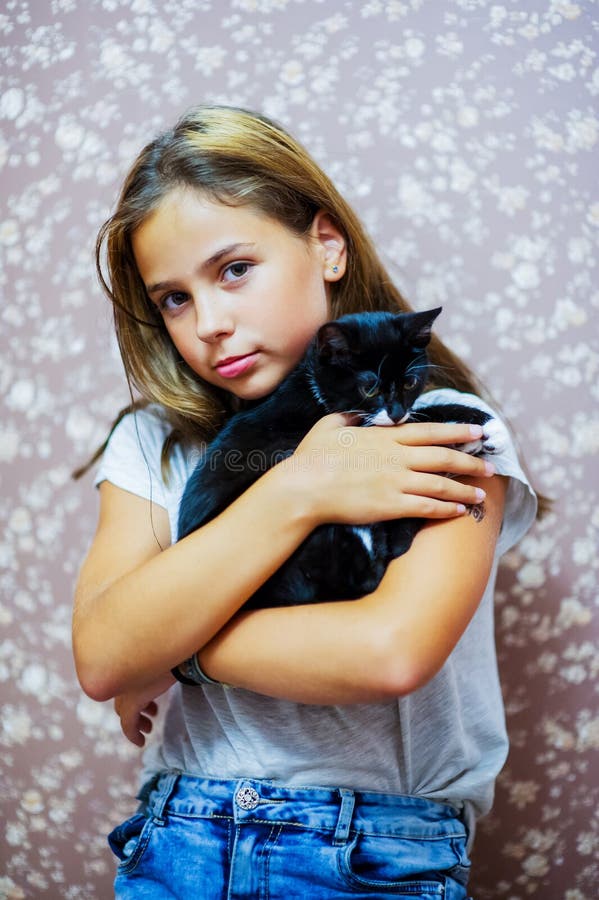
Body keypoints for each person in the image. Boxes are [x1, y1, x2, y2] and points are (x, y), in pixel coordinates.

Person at [73, 104, 538, 899]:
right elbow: (103, 657)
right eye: (173, 300)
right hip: (176, 839)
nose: (210, 323)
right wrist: (298, 488)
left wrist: (173, 650)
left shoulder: (443, 428)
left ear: (325, 245)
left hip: (375, 853)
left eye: (233, 269)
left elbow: (388, 651)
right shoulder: (156, 440)